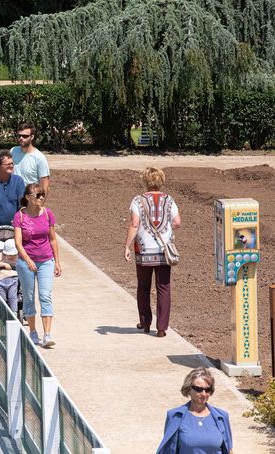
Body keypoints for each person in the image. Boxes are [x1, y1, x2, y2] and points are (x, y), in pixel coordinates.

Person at [124, 167, 181, 338]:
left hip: (143, 250)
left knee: (143, 286)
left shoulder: (138, 201)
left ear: (145, 181)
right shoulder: (169, 200)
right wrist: (168, 231)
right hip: (164, 251)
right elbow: (177, 221)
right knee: (163, 287)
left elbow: (134, 224)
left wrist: (127, 245)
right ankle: (162, 327)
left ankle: (145, 322)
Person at [13, 183, 61, 347]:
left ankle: (47, 334)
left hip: (46, 260)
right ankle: (33, 332)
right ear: (28, 198)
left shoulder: (47, 214)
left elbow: (53, 239)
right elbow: (18, 243)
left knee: (45, 295)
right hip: (26, 262)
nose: (41, 198)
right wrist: (27, 260)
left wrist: (57, 262)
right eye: (38, 195)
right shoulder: (19, 216)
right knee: (29, 297)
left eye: (42, 195)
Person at [156, 367, 233, 454]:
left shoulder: (222, 417)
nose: (203, 394)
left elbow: (229, 450)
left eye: (207, 390)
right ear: (188, 389)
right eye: (198, 389)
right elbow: (168, 450)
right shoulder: (175, 416)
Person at [11, 122, 50, 197]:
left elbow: (45, 184)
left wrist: (40, 204)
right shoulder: (13, 151)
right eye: (19, 136)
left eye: (25, 136)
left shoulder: (39, 157)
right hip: (13, 197)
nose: (21, 138)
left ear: (32, 137)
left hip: (30, 200)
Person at [0, 238, 20, 317]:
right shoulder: (0, 254)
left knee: (13, 297)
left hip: (13, 280)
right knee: (2, 298)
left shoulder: (19, 256)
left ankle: (14, 313)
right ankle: (2, 314)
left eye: (13, 255)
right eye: (9, 255)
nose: (11, 257)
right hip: (0, 281)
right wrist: (4, 265)